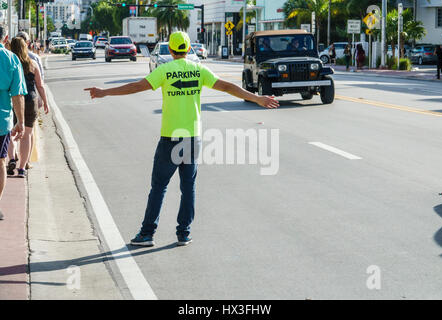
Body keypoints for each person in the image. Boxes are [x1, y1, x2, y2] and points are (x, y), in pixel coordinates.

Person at [84, 31, 279, 246]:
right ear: (187, 49)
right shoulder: (198, 70)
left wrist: (105, 92)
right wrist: (257, 98)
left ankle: (147, 233)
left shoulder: (165, 70)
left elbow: (136, 87)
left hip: (170, 138)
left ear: (171, 50)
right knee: (188, 187)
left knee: (159, 186)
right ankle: (184, 233)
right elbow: (227, 87)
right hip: (192, 138)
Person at [9, 37, 49, 178]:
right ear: (25, 47)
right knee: (27, 134)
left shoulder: (10, 64)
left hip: (13, 100)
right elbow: (40, 85)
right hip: (30, 100)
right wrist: (45, 102)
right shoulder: (32, 64)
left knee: (11, 133)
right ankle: (22, 168)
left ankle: (12, 158)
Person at [0, 26, 26, 220]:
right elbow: (17, 95)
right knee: (1, 161)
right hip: (2, 120)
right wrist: (21, 122)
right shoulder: (11, 59)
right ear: (6, 38)